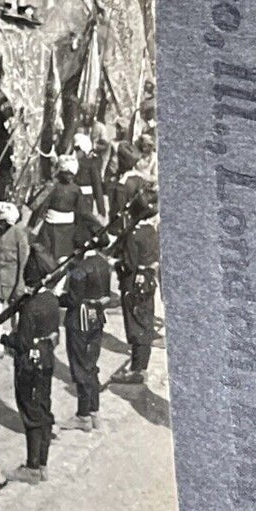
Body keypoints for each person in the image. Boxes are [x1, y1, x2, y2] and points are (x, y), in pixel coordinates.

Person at [7, 248, 61, 485]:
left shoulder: (31, 306)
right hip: (46, 359)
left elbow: (22, 342)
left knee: (30, 413)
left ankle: (32, 467)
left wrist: (2, 338)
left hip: (29, 363)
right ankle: (43, 463)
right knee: (43, 408)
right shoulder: (51, 300)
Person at [61, 217, 112, 430]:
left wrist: (55, 297)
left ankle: (84, 415)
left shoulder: (80, 267)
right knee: (91, 364)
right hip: (96, 316)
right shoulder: (103, 263)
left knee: (80, 366)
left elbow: (72, 299)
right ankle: (94, 412)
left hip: (79, 318)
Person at [112, 184, 160, 387]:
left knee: (135, 324)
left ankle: (136, 370)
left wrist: (117, 265)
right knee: (145, 319)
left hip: (132, 283)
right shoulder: (151, 231)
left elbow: (129, 264)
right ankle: (142, 365)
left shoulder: (134, 235)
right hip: (148, 280)